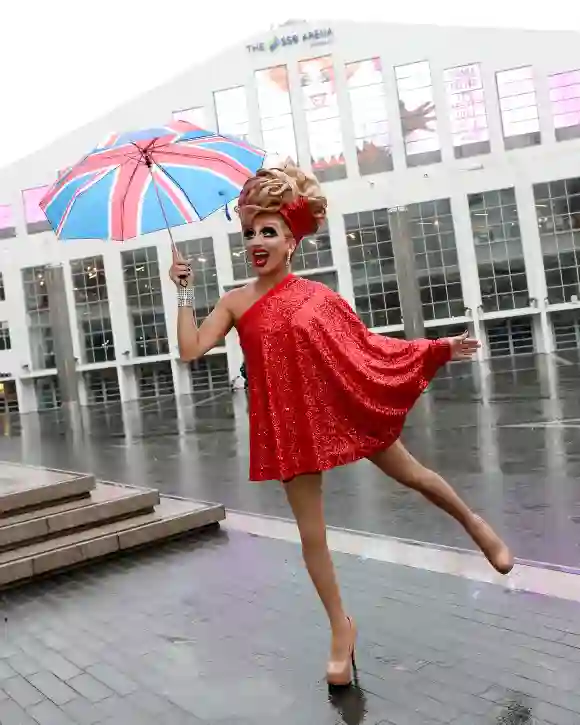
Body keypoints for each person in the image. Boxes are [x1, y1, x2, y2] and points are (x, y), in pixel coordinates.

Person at [169, 160, 513, 688]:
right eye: (249, 233)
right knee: (312, 536)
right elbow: (190, 349)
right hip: (290, 429)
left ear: (291, 242)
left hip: (341, 410)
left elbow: (368, 347)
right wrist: (183, 291)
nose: (256, 242)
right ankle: (340, 629)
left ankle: (475, 524)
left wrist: (438, 348)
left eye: (268, 232)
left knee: (415, 475)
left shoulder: (317, 297)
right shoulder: (236, 302)